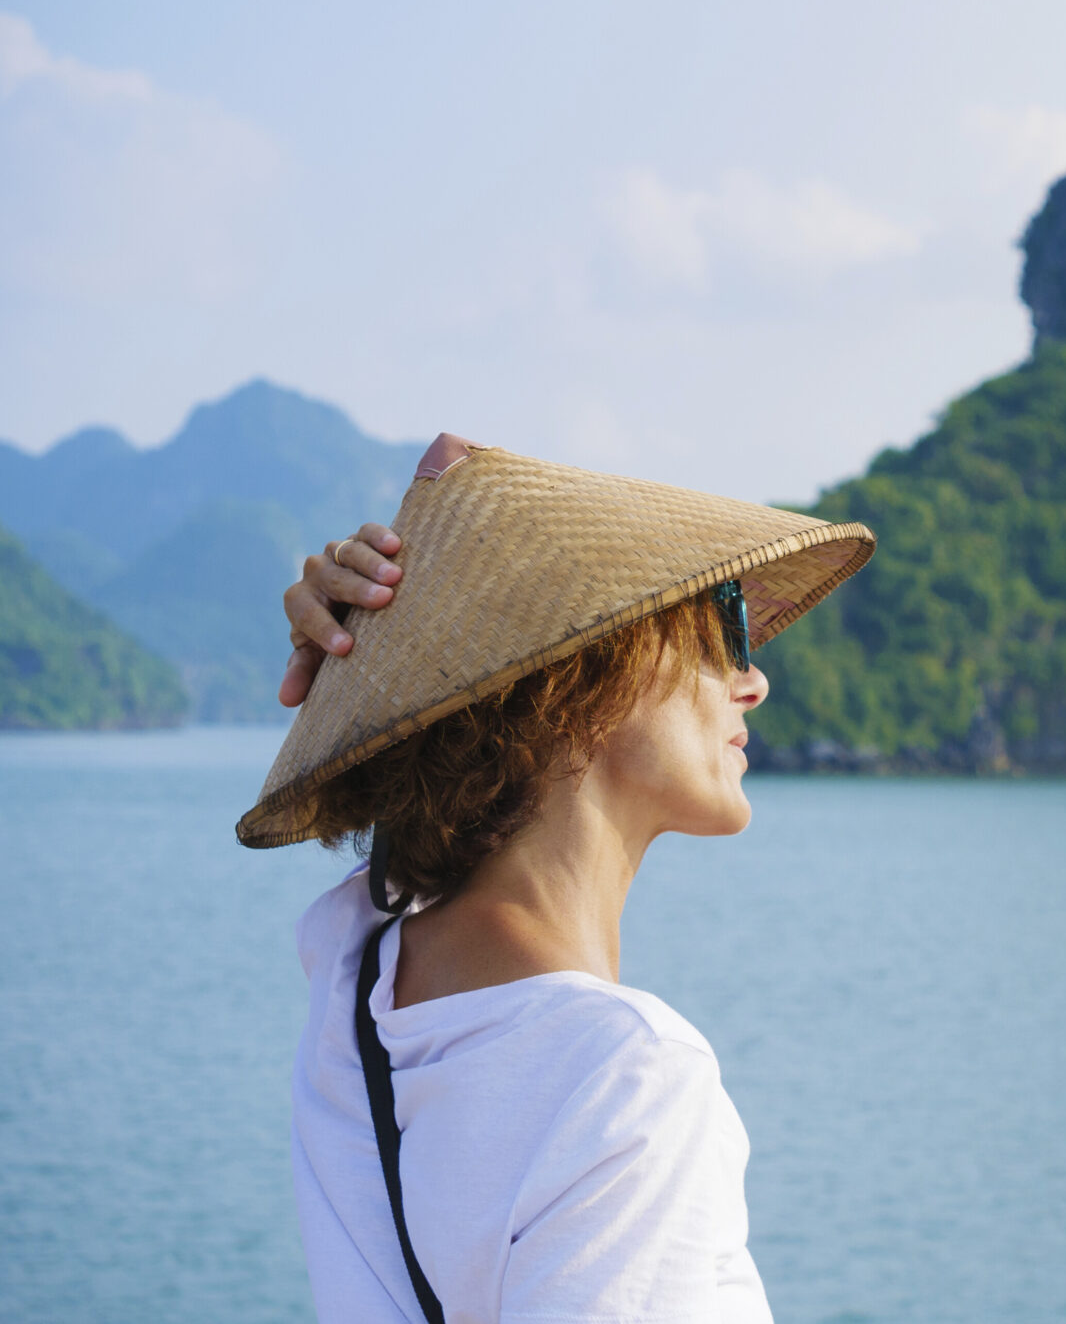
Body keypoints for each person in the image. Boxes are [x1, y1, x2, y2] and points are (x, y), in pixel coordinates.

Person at [244, 434, 875, 1323]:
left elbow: (411, 867)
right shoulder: (626, 1079)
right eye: (722, 625)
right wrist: (387, 645)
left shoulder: (359, 988)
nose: (754, 679)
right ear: (589, 667)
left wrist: (378, 653)